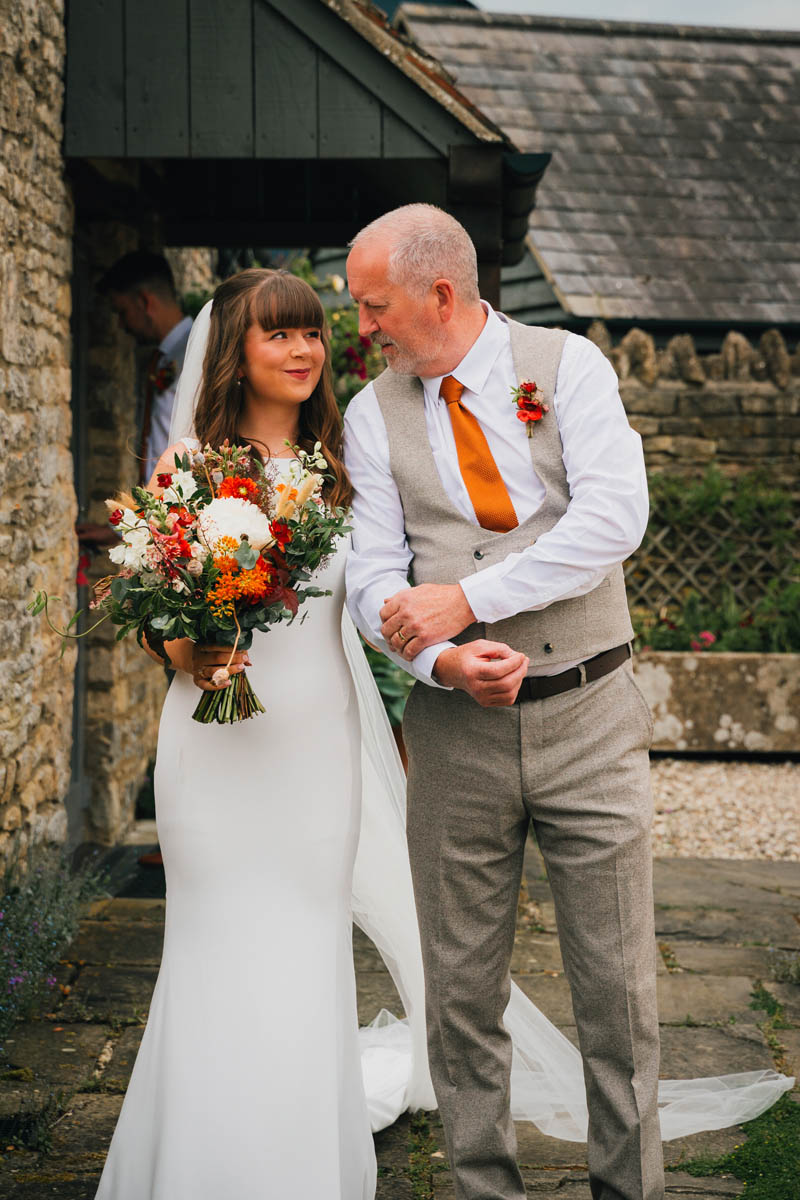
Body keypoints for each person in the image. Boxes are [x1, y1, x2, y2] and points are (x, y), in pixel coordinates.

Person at [94, 265, 791, 1200]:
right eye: (279, 335)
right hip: (214, 745)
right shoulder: (189, 470)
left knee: (306, 944)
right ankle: (196, 1157)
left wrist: (452, 634)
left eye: (314, 332)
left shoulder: (347, 453)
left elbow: (386, 584)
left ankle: (304, 1165)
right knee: (212, 937)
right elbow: (155, 615)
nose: (307, 349)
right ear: (236, 352)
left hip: (315, 742)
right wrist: (191, 651)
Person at [342, 203, 792, 1200]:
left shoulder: (568, 366)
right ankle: (481, 1187)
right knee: (458, 993)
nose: (362, 328)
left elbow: (613, 517)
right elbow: (374, 580)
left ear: (440, 295)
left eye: (373, 307)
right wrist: (442, 664)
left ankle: (626, 1191)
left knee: (616, 987)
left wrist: (468, 599)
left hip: (589, 715)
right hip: (454, 737)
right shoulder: (367, 415)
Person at [99, 250, 193, 484]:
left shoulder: (198, 352)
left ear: (144, 302)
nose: (121, 324)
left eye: (123, 312)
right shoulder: (162, 358)